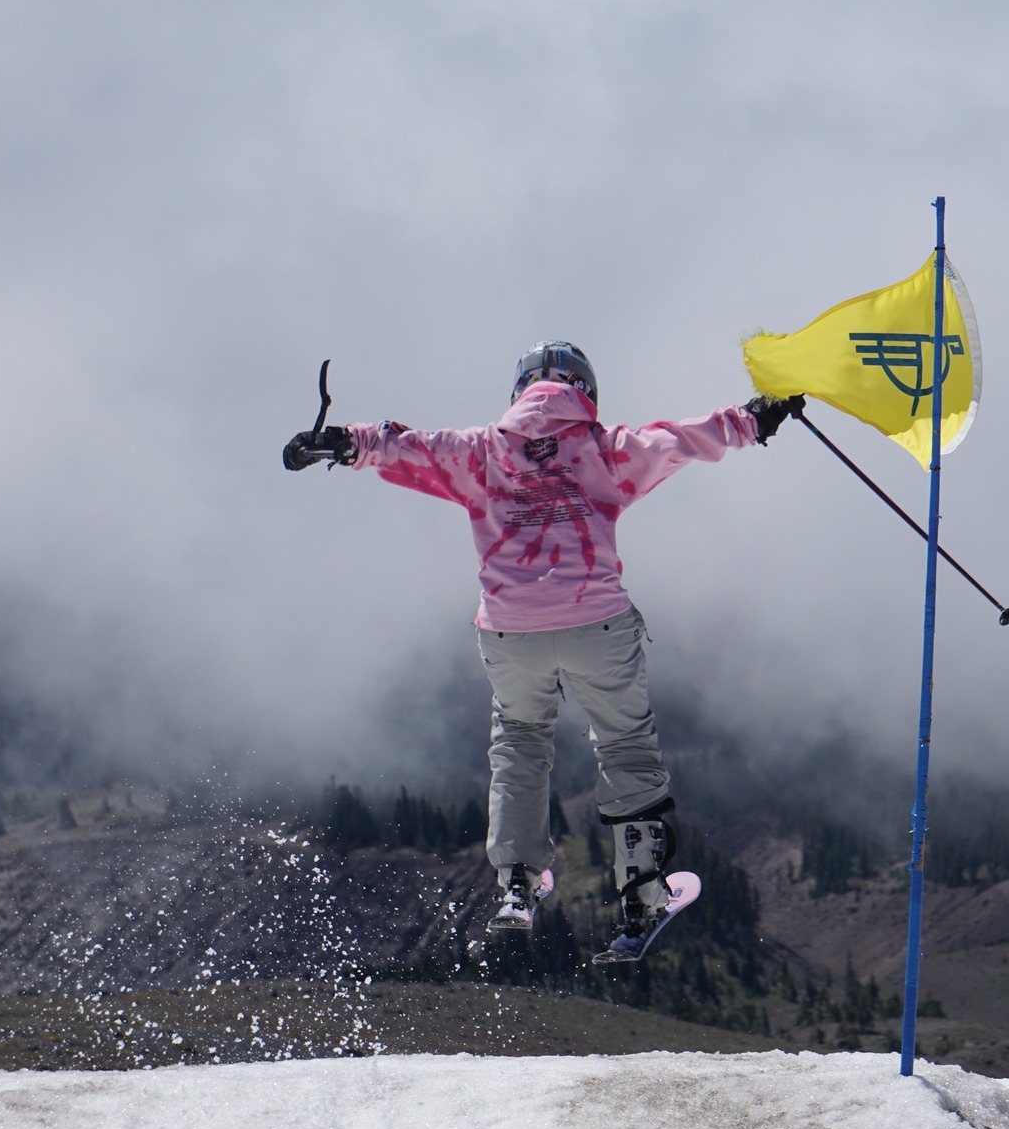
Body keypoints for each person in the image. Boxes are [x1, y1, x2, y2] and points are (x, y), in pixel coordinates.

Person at [283, 342, 801, 950]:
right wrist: (756, 417)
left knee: (520, 742)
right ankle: (642, 894)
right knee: (625, 743)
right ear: (585, 390)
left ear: (519, 390)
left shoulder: (481, 451)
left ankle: (518, 884)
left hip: (510, 629)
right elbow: (679, 440)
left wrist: (340, 442)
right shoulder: (606, 447)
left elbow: (408, 445)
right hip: (597, 623)